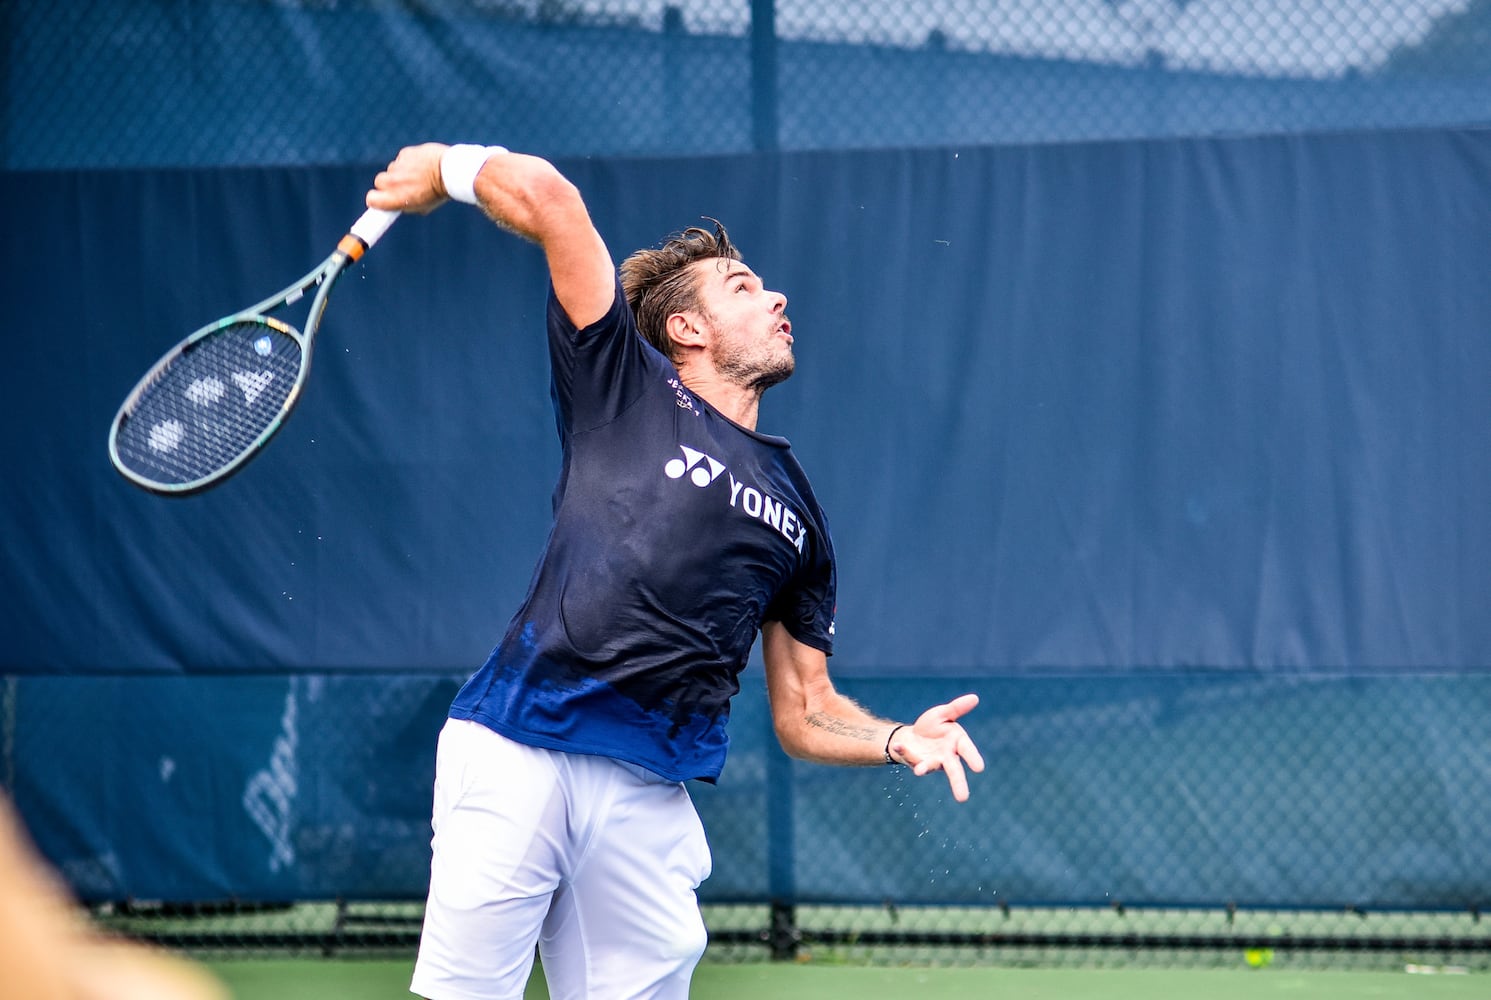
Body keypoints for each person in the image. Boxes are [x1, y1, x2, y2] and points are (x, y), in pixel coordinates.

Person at [366, 143, 985, 1000]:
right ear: (685, 330)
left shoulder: (797, 512)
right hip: (518, 748)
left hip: (649, 789)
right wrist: (441, 167)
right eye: (741, 286)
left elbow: (806, 711)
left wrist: (894, 739)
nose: (776, 296)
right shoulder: (620, 382)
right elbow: (547, 196)